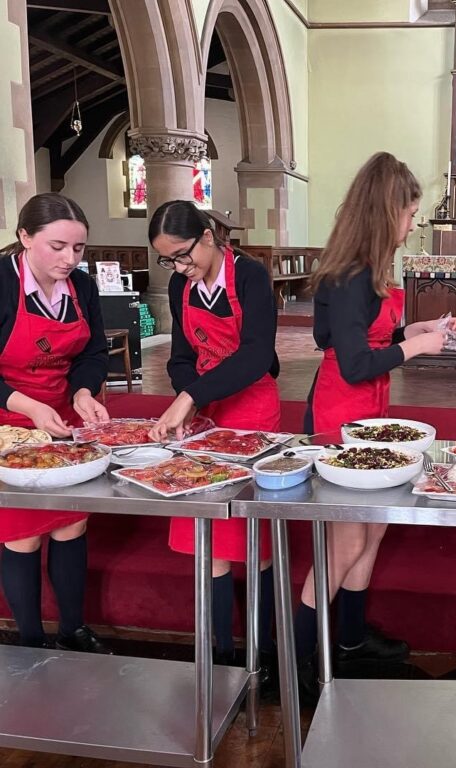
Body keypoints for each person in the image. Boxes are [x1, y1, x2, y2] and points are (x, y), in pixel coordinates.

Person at [296, 152, 456, 696]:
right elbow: (349, 362)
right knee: (344, 543)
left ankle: (349, 638)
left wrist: (418, 328)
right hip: (340, 414)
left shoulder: (368, 272)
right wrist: (416, 347)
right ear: (387, 210)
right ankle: (295, 660)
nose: (414, 224)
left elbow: (373, 342)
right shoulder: (349, 277)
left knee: (373, 526)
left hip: (368, 409)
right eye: (411, 213)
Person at [147, 200, 279, 669]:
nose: (179, 268)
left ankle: (264, 653)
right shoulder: (183, 286)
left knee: (250, 536)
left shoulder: (250, 275)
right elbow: (181, 358)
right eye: (169, 260)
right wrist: (192, 398)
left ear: (207, 235)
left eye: (183, 255)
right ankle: (221, 653)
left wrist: (190, 397)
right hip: (204, 405)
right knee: (206, 532)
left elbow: (257, 355)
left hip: (251, 407)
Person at [0, 193, 110, 652]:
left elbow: (94, 352)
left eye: (79, 249)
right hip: (10, 419)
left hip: (64, 417)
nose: (69, 259)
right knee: (23, 535)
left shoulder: (81, 288)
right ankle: (30, 641)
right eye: (58, 247)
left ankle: (73, 629)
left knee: (70, 524)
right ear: (25, 237)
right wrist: (26, 406)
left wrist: (83, 391)